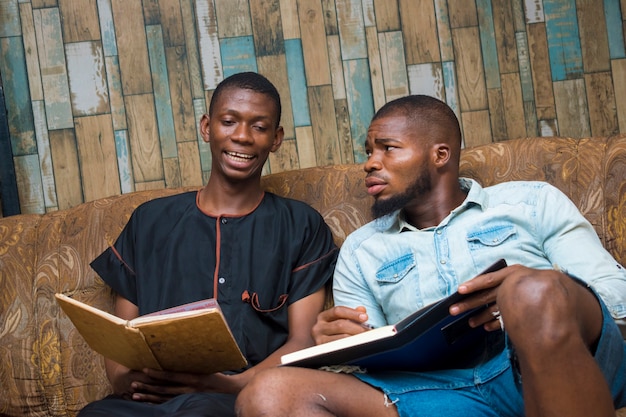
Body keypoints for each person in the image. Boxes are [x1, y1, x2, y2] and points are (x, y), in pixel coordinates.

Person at [235, 95, 626, 417]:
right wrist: (334, 347)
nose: (370, 162)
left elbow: (616, 297)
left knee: (530, 291)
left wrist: (529, 295)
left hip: (547, 363)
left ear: (440, 155)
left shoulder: (530, 202)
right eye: (369, 151)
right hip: (441, 395)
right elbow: (372, 361)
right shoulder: (361, 249)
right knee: (266, 394)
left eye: (388, 148)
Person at [78, 72, 338, 417]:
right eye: (229, 122)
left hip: (239, 399)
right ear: (206, 127)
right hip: (146, 403)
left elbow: (303, 342)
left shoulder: (301, 225)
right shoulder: (149, 220)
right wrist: (130, 382)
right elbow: (122, 336)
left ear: (276, 139)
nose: (242, 137)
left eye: (259, 127)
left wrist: (229, 385)